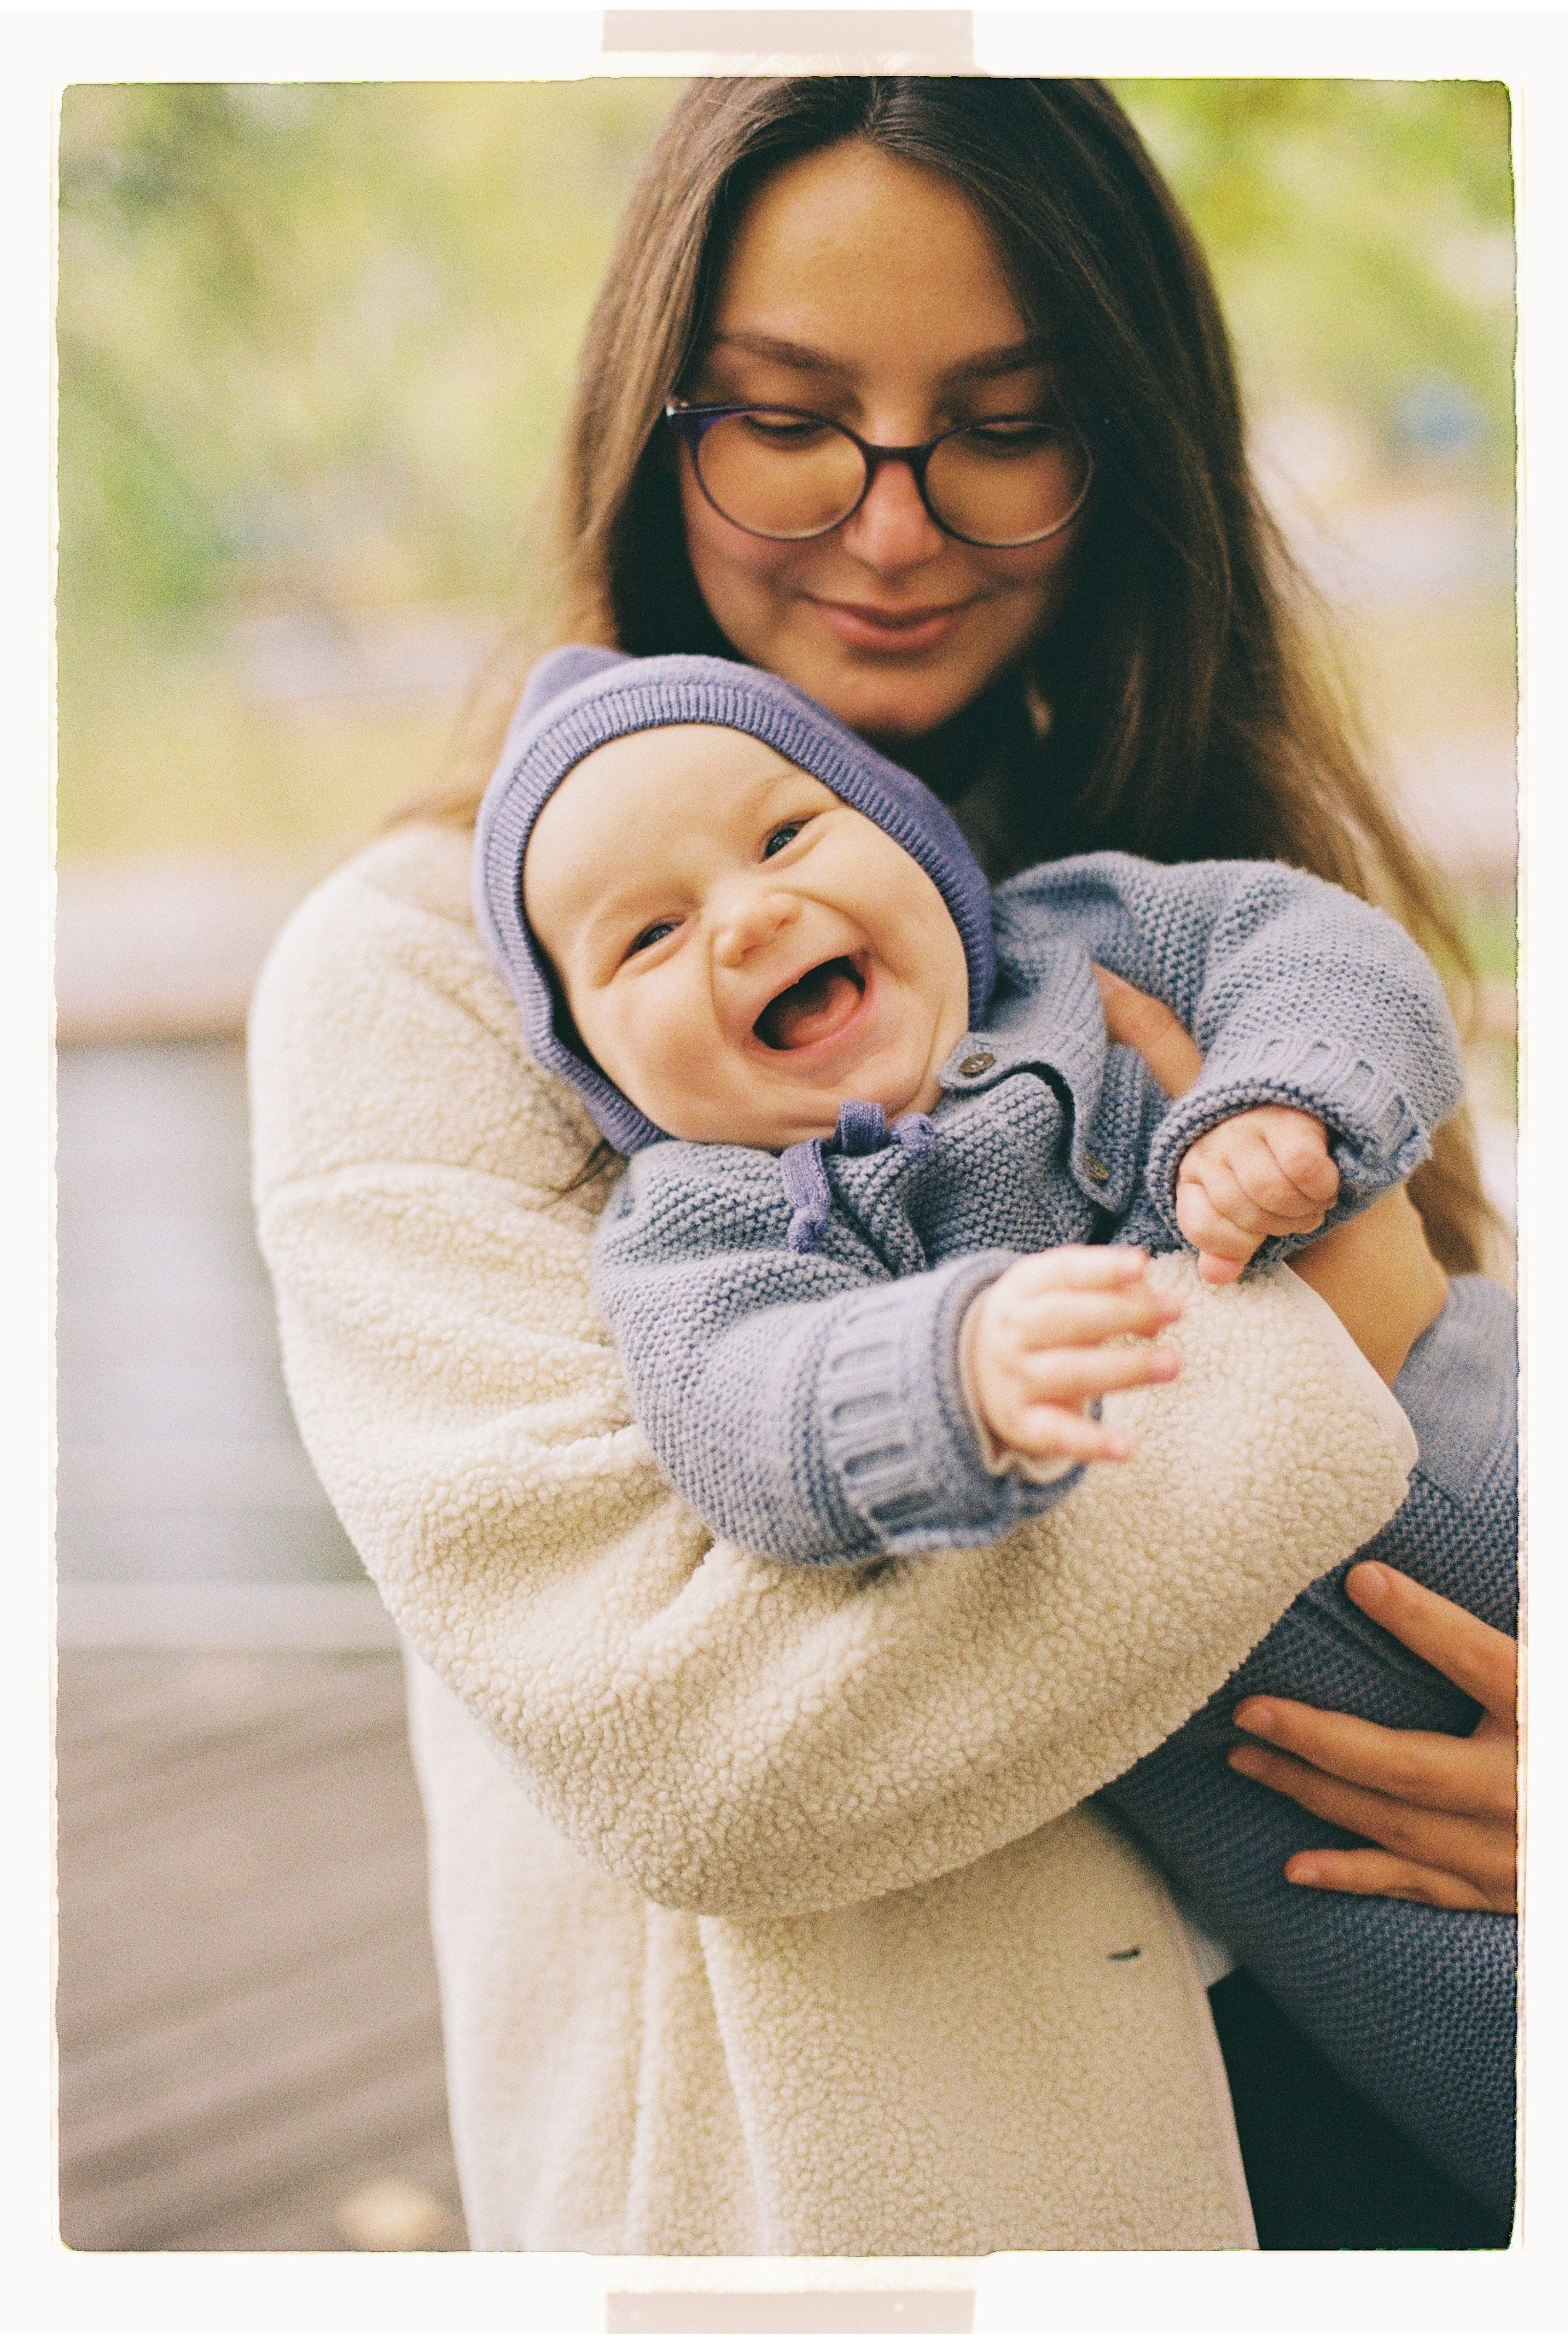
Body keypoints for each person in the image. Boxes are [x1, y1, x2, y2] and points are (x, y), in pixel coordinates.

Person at [249, 76, 1517, 2251]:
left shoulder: (1147, 888)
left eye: (1004, 419)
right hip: (945, 2223)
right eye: (787, 415)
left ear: (1122, 447)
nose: (895, 522)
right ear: (653, 419)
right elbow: (696, 1750)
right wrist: (1318, 1311)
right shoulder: (424, 980)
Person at [469, 643, 1512, 2218]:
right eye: (650, 934)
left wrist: (1276, 1101)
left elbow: (1324, 955)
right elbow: (731, 1405)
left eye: (782, 837)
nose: (744, 917)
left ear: (917, 840)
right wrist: (940, 1374)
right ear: (599, 1069)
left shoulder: (1080, 933)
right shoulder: (707, 1222)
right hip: (1333, 1821)